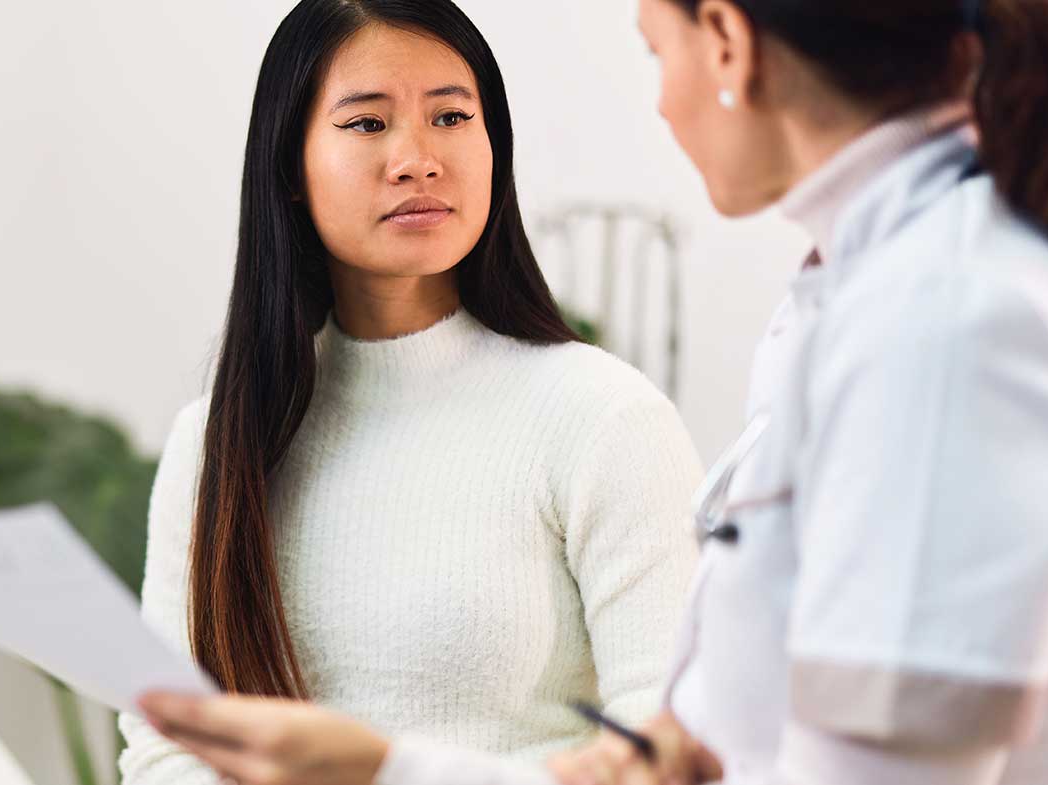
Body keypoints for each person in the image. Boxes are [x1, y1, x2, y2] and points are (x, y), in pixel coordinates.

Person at [137, 1, 1048, 784]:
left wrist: (380, 767)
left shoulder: (950, 320)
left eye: (654, 48)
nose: (661, 100)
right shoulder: (860, 301)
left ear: (727, 44)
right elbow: (708, 746)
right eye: (366, 124)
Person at [118, 1, 705, 783]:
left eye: (452, 117)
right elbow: (165, 751)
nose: (418, 158)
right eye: (367, 124)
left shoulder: (602, 418)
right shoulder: (217, 441)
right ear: (289, 167)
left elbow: (668, 759)